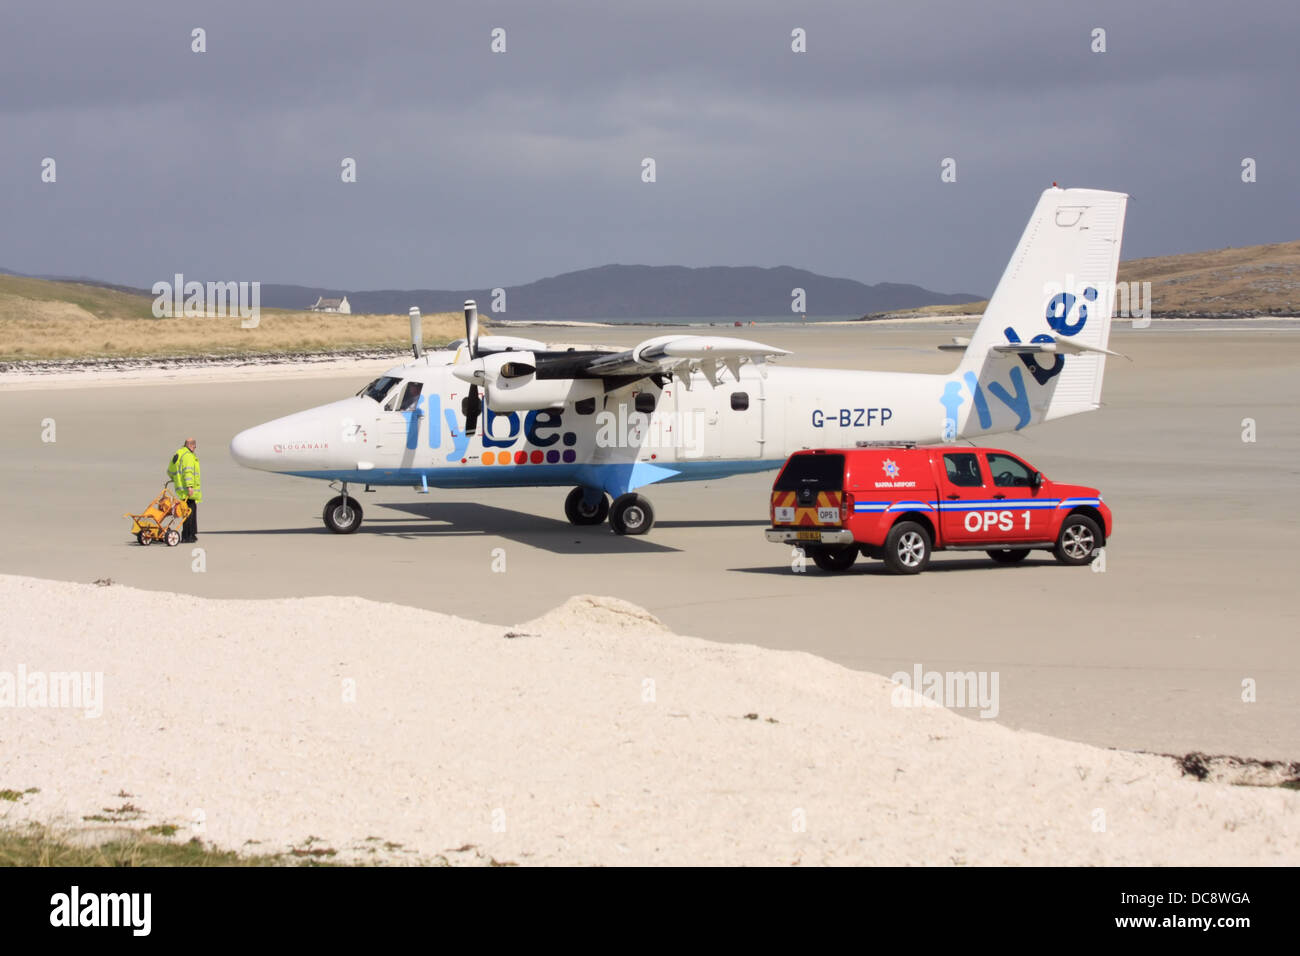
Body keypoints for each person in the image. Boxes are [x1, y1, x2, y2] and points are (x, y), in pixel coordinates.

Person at [167, 438, 202, 543]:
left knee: (186, 511)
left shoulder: (178, 454)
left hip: (180, 489)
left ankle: (190, 534)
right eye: (194, 447)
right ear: (192, 446)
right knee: (190, 512)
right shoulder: (188, 456)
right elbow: (188, 472)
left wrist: (177, 480)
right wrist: (189, 486)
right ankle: (188, 535)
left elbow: (170, 471)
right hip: (188, 490)